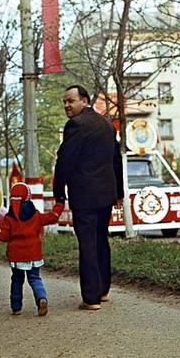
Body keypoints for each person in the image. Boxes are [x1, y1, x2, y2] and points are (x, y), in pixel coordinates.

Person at [53, 84, 123, 311]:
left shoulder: (75, 125)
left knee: (88, 244)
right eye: (64, 101)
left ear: (84, 100)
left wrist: (58, 193)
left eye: (70, 101)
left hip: (84, 194)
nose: (66, 105)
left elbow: (65, 160)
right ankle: (103, 290)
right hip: (105, 193)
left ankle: (91, 298)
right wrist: (119, 192)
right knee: (101, 239)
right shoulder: (106, 124)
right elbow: (116, 160)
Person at [0, 182, 64, 316]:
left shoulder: (9, 218)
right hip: (34, 255)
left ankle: (16, 307)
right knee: (35, 278)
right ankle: (41, 298)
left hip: (17, 257)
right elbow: (52, 217)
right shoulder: (35, 215)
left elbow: (3, 235)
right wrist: (60, 204)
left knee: (17, 280)